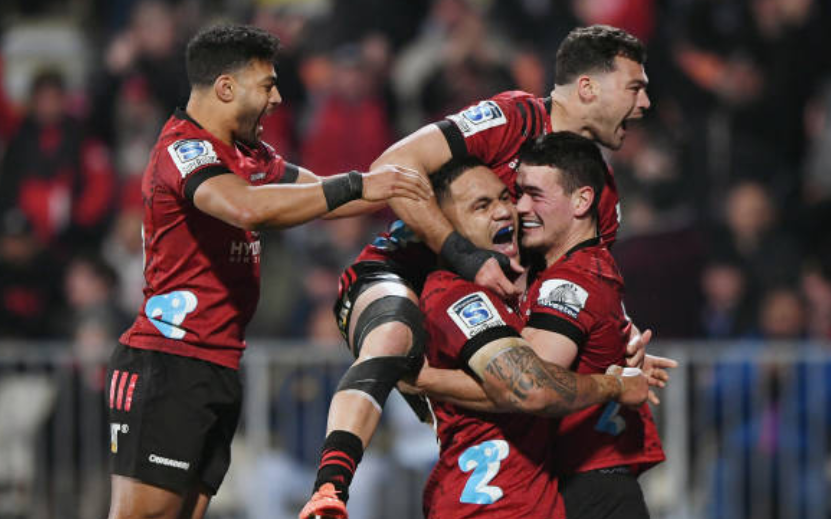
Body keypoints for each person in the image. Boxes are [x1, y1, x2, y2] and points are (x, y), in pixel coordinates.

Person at [302, 25, 672, 518]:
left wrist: (617, 339)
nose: (645, 102)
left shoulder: (596, 189)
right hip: (401, 274)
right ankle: (331, 489)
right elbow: (393, 168)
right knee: (393, 339)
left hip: (483, 313)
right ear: (588, 88)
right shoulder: (513, 116)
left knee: (522, 402)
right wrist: (464, 255)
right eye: (635, 87)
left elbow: (580, 285)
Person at [105, 24, 431, 519]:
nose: (277, 98)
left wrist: (409, 190)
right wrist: (365, 184)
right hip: (169, 362)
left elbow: (321, 197)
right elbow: (247, 208)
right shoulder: (184, 149)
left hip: (215, 364)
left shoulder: (250, 155)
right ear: (226, 87)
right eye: (267, 85)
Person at [415, 133, 667, 519]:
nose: (518, 208)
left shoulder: (569, 282)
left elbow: (527, 387)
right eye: (515, 194)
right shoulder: (558, 276)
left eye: (533, 195)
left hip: (588, 490)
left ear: (582, 201)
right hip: (568, 485)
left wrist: (421, 378)